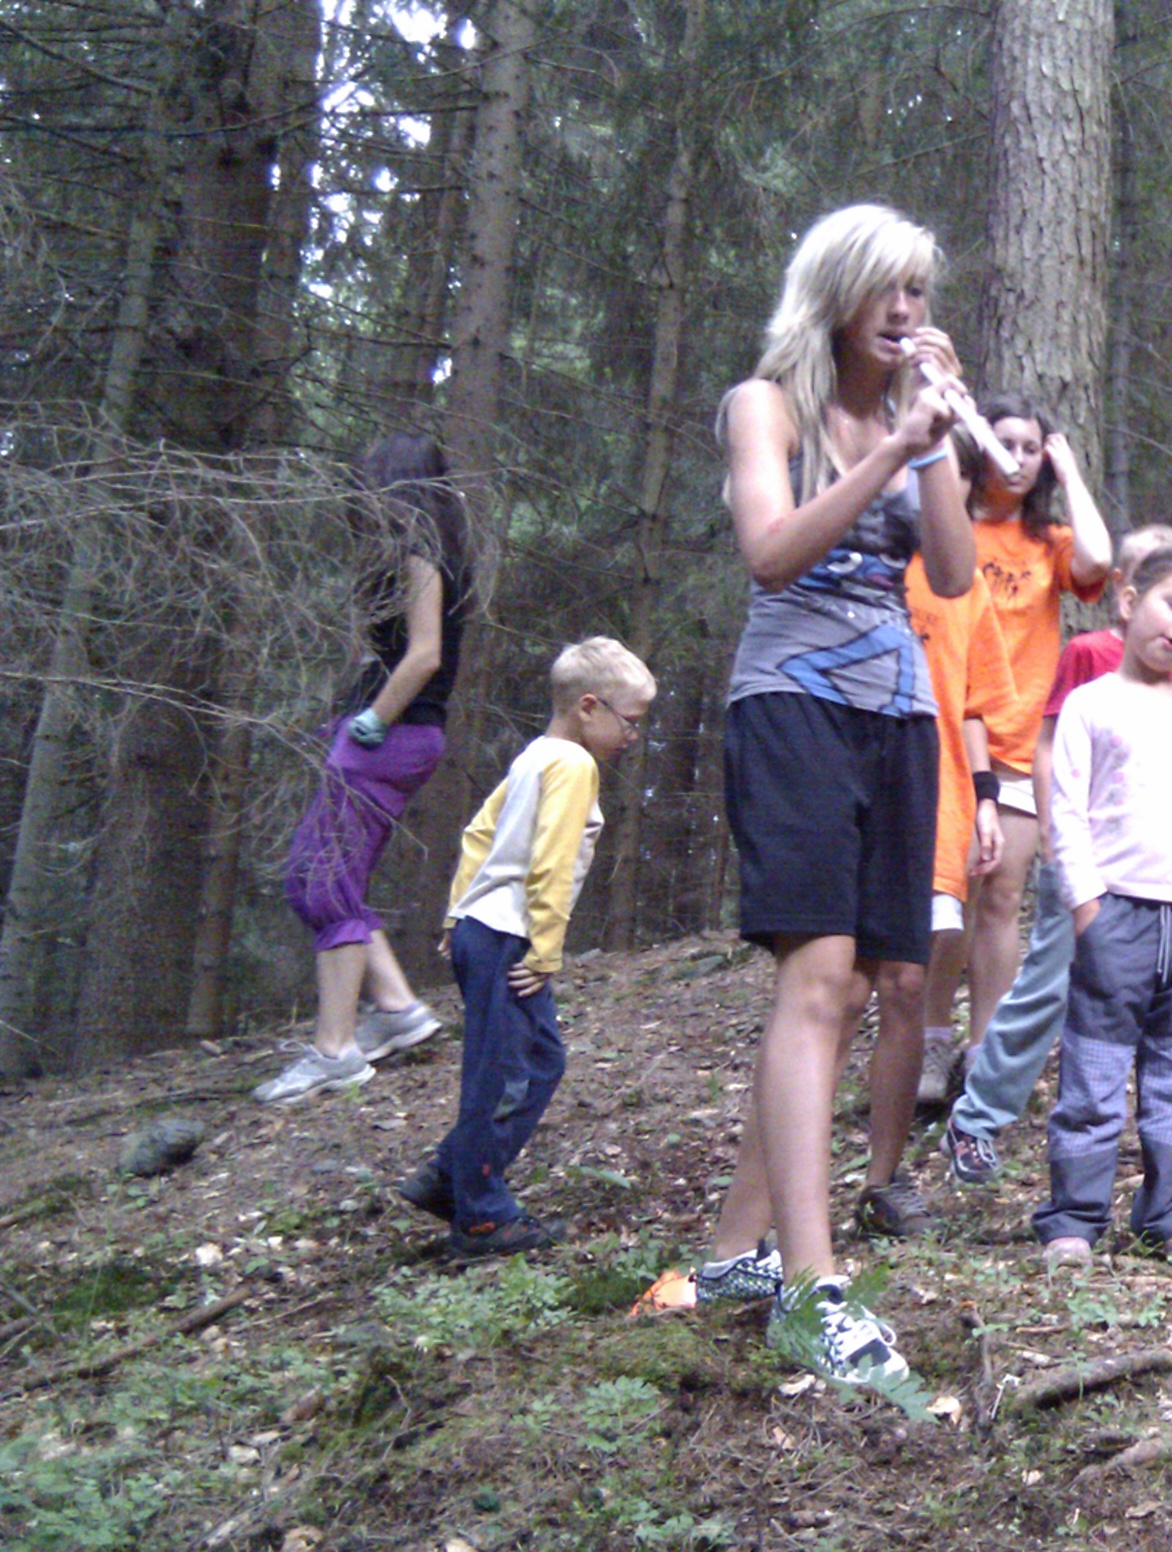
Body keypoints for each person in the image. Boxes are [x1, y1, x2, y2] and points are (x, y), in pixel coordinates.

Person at [689, 203, 971, 1403]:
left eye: (919, 291)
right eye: (887, 288)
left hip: (897, 714)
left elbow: (952, 571)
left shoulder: (913, 421)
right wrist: (890, 449)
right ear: (836, 293)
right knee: (815, 978)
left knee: (857, 987)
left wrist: (936, 436)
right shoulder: (767, 407)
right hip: (792, 702)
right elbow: (769, 551)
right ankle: (812, 1288)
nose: (906, 310)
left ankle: (730, 1254)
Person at [942, 523, 1172, 1186]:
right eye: (1156, 583)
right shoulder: (1089, 654)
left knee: (1159, 997)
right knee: (1049, 986)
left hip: (1156, 865)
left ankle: (1168, 1129)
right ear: (1125, 591)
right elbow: (1050, 746)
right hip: (1084, 855)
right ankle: (976, 1118)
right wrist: (1058, 837)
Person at [391, 637, 655, 1257]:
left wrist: (457, 913)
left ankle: (449, 1174)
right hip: (509, 936)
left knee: (533, 1060)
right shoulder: (574, 765)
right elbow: (551, 864)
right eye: (630, 721)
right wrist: (546, 949)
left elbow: (478, 835)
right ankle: (481, 1216)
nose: (633, 736)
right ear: (588, 707)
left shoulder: (534, 757)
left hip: (483, 928)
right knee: (509, 1073)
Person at [1031, 547, 1172, 1269]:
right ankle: (1074, 1218)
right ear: (1128, 602)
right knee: (1093, 1073)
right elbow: (1067, 810)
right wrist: (1086, 904)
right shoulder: (1091, 704)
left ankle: (1166, 1215)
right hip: (1115, 915)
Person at [261, 434, 474, 1106]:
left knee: (323, 883)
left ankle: (335, 1051)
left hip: (395, 735)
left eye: (371, 483)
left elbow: (425, 655)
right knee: (319, 877)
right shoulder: (416, 554)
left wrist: (374, 720)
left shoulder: (421, 555)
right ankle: (399, 1010)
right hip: (392, 733)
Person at [941, 396, 1111, 1099]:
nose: (1016, 458)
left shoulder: (1048, 540)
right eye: (1003, 442)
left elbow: (1099, 560)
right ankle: (929, 1041)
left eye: (1031, 447)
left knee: (1002, 896)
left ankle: (986, 1053)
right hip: (947, 733)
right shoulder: (949, 524)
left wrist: (1071, 473)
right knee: (948, 897)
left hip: (1019, 738)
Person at [899, 552, 1015, 1115]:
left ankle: (932, 1052)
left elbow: (972, 705)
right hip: (861, 780)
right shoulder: (860, 562)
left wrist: (984, 795)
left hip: (944, 784)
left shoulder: (962, 582)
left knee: (936, 934)